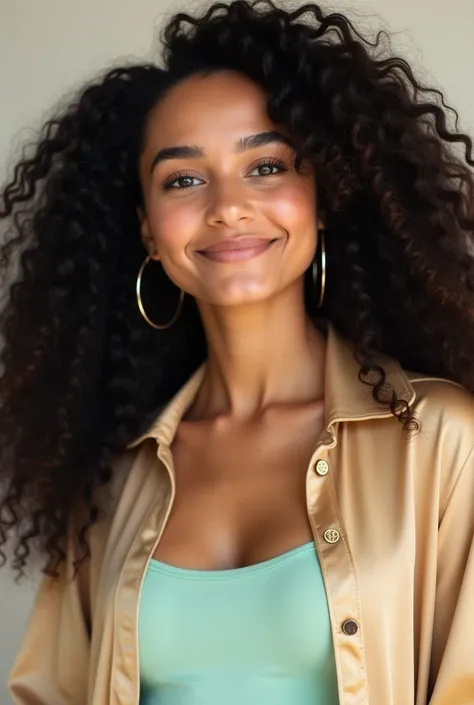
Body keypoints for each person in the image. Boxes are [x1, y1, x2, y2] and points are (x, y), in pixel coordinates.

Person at [1, 0, 474, 703]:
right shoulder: (112, 481)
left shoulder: (438, 439)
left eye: (267, 165)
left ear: (324, 193)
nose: (227, 205)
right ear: (147, 231)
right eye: (183, 179)